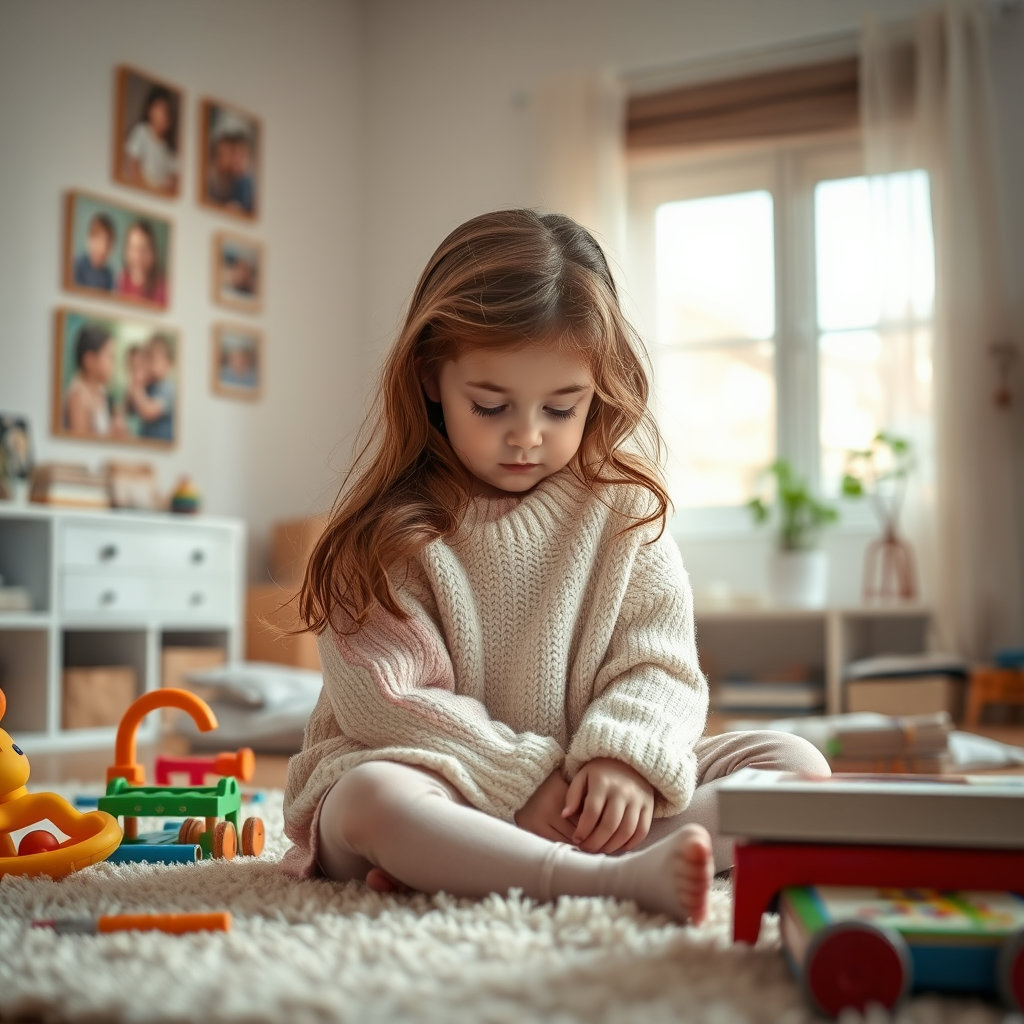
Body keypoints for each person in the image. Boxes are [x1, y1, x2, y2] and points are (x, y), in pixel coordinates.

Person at [282, 209, 830, 925]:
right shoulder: (384, 532)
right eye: (491, 405)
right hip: (438, 781)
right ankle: (596, 879)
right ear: (429, 378)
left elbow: (659, 666)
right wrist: (514, 779)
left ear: (597, 390)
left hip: (584, 793)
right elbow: (386, 702)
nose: (527, 436)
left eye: (562, 407)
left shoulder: (625, 513)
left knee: (795, 763)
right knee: (373, 799)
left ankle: (473, 864)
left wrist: (624, 759)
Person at [63, 323, 118, 436]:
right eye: (110, 357)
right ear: (89, 360)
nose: (113, 365)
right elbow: (80, 442)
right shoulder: (77, 396)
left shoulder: (104, 393)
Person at [123, 84, 178, 193]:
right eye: (158, 109)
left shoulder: (169, 148)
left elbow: (173, 181)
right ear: (149, 110)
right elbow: (133, 165)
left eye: (165, 111)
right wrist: (144, 187)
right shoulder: (141, 132)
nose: (161, 116)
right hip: (141, 190)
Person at [128, 333, 175, 441]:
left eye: (153, 358)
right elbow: (130, 409)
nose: (148, 364)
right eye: (146, 357)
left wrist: (137, 385)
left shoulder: (168, 389)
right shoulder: (148, 386)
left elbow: (148, 412)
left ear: (168, 364)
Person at [117, 219, 166, 305]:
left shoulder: (162, 288)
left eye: (144, 249)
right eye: (134, 248)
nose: (138, 256)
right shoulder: (120, 281)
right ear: (126, 251)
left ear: (153, 253)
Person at [72, 213, 115, 292]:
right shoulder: (76, 266)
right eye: (97, 240)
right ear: (88, 239)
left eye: (106, 243)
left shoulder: (109, 275)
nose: (102, 248)